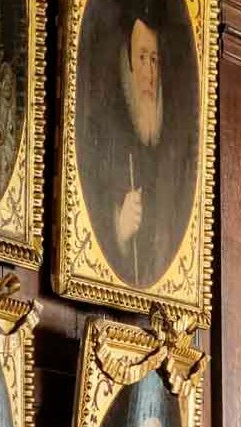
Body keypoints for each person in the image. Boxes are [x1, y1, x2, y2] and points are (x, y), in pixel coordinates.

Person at [82, 2, 195, 286]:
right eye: (142, 58)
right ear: (129, 64)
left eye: (155, 59)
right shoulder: (107, 129)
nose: (150, 71)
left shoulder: (167, 140)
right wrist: (119, 229)